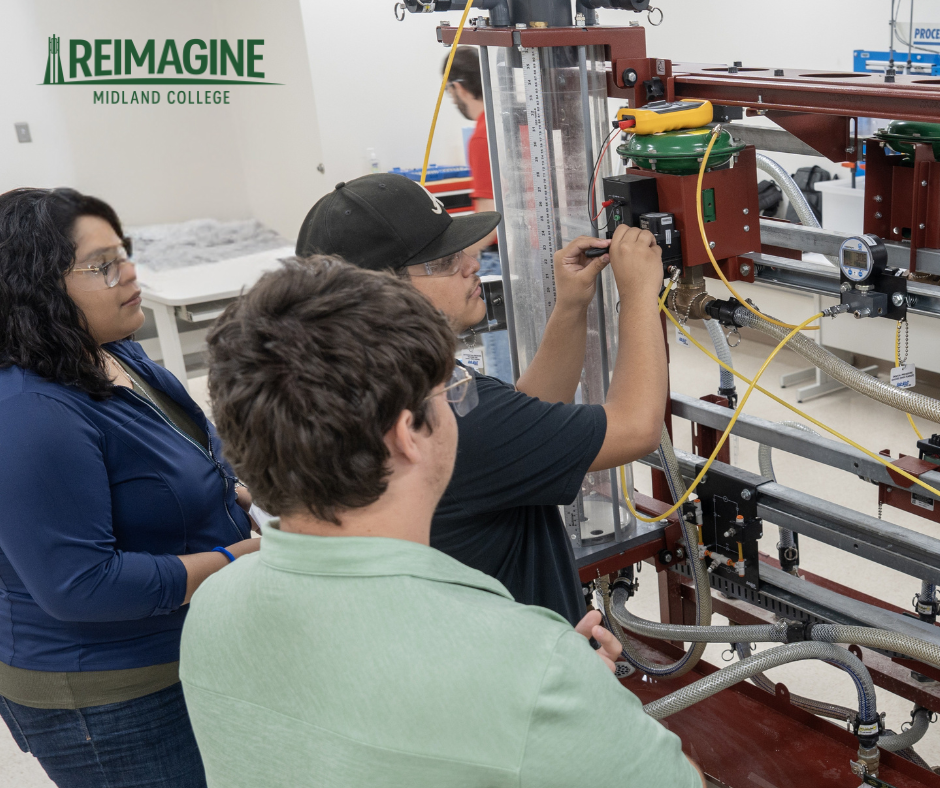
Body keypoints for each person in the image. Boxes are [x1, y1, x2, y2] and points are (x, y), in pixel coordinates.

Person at [179, 256, 703, 788]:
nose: (461, 403)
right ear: (409, 434)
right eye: (452, 392)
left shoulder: (212, 608)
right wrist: (585, 703)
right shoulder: (530, 664)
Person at [295, 174, 667, 627]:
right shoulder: (435, 410)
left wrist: (571, 305)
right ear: (379, 290)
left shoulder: (364, 378)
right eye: (444, 261)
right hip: (523, 667)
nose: (472, 263)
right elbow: (636, 427)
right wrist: (639, 294)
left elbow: (520, 421)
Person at [0, 188, 259, 788]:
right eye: (103, 265)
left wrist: (240, 497)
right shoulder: (28, 412)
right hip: (108, 695)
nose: (130, 273)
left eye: (126, 253)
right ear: (35, 285)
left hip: (186, 645)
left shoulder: (113, 351)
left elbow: (187, 452)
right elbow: (81, 587)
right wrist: (237, 558)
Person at [444, 45, 511, 381]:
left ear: (457, 87)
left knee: (504, 364)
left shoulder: (483, 133)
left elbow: (489, 224)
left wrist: (450, 257)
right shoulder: (512, 120)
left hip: (501, 261)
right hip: (532, 254)